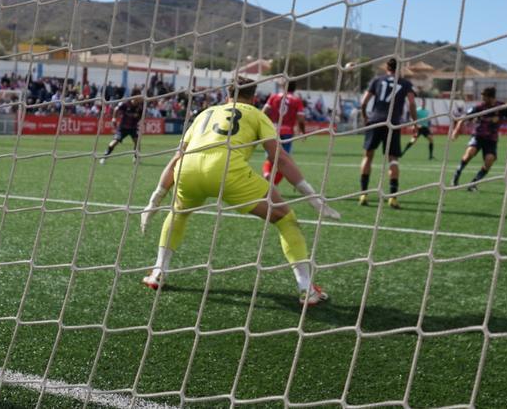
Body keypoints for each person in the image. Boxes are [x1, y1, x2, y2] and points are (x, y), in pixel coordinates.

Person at [139, 77, 339, 305]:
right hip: (227, 170)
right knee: (285, 218)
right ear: (253, 97)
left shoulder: (205, 113)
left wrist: (155, 199)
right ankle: (306, 288)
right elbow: (279, 158)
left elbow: (177, 157)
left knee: (178, 213)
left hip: (188, 170)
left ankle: (158, 272)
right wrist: (312, 196)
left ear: (227, 94)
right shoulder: (256, 114)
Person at [357, 58, 416, 209]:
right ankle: (392, 198)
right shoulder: (405, 83)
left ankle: (363, 194)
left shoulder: (377, 80)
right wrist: (415, 123)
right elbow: (411, 103)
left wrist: (365, 117)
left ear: (386, 68)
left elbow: (363, 102)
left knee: (368, 156)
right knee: (393, 160)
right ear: (399, 68)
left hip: (375, 120)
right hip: (393, 123)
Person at [449, 87, 507, 191]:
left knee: (489, 160)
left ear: (491, 97)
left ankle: (473, 183)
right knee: (469, 153)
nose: (482, 99)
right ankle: (455, 177)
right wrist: (456, 130)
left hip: (491, 139)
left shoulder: (502, 107)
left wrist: (500, 119)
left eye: (484, 97)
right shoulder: (479, 107)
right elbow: (463, 118)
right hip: (478, 136)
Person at [261, 81, 307, 185]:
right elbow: (301, 118)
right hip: (287, 132)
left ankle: (267, 173)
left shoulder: (274, 97)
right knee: (285, 161)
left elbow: (263, 113)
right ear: (295, 88)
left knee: (271, 157)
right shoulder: (296, 100)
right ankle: (273, 184)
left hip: (273, 130)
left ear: (282, 86)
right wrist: (303, 132)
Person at [99, 95, 144, 163]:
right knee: (115, 142)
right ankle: (104, 157)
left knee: (137, 142)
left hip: (133, 128)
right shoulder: (126, 104)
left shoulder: (140, 107)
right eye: (138, 99)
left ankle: (136, 158)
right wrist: (114, 118)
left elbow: (140, 117)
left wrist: (137, 120)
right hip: (123, 128)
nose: (140, 100)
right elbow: (116, 109)